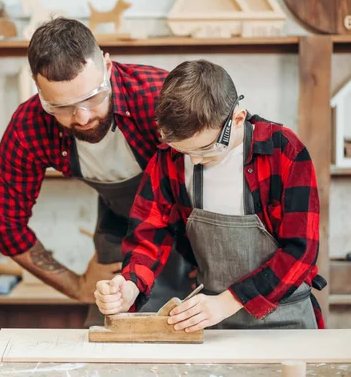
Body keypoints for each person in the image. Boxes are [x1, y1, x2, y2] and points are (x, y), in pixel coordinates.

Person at [0, 17, 194, 327]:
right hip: (121, 226)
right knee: (109, 333)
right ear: (38, 87)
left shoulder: (158, 97)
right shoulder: (31, 125)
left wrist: (215, 257)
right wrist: (76, 284)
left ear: (108, 67)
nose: (81, 117)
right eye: (62, 106)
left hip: (196, 219)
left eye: (92, 97)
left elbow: (236, 170)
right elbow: (5, 226)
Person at [94, 59, 327, 330]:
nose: (195, 161)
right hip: (213, 323)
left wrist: (227, 302)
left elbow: (301, 252)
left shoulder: (284, 152)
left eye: (205, 150)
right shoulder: (170, 159)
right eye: (185, 152)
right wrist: (130, 286)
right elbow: (148, 236)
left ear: (237, 119)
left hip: (286, 317)